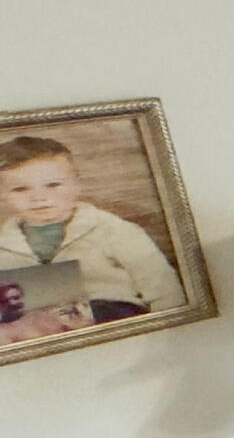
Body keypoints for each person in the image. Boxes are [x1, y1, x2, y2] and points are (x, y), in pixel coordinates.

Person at [0, 135, 185, 326]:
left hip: (113, 311)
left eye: (53, 185)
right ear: (2, 194)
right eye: (20, 189)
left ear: (76, 185)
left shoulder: (111, 228)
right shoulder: (5, 242)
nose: (39, 197)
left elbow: (160, 282)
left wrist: (170, 326)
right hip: (44, 324)